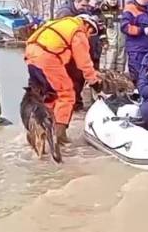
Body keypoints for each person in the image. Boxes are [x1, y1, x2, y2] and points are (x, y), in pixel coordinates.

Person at [25, 15, 103, 143]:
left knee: (48, 95)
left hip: (31, 55)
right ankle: (59, 135)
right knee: (66, 94)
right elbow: (84, 62)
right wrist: (93, 81)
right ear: (87, 25)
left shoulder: (62, 24)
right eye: (91, 32)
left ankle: (40, 129)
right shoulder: (78, 32)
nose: (90, 36)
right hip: (47, 58)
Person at [101, 0, 126, 72]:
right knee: (109, 65)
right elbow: (102, 29)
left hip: (121, 44)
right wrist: (104, 41)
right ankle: (109, 81)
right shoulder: (104, 12)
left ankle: (119, 80)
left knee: (121, 65)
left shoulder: (121, 12)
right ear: (107, 0)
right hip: (110, 45)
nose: (113, 1)